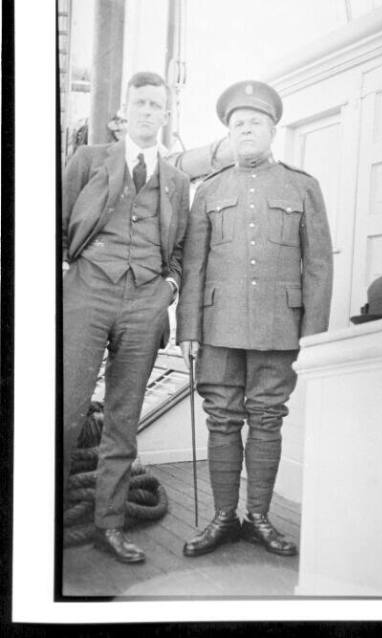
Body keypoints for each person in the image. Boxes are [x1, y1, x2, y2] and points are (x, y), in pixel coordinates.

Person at [176, 80, 333, 557]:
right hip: (218, 326)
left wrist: (315, 336)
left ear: (272, 130)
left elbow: (320, 263)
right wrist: (188, 329)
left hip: (278, 327)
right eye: (238, 124)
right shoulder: (208, 190)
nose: (246, 130)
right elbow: (194, 264)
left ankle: (259, 517)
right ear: (229, 132)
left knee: (267, 418)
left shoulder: (302, 186)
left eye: (255, 123)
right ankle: (225, 518)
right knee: (221, 419)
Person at [62, 71, 190, 564]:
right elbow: (53, 219)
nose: (147, 112)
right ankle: (46, 518)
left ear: (165, 114)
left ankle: (110, 525)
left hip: (145, 302)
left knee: (122, 417)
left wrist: (169, 290)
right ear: (125, 108)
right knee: (69, 408)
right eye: (140, 102)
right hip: (87, 291)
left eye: (156, 105)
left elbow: (179, 250)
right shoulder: (89, 159)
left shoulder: (177, 181)